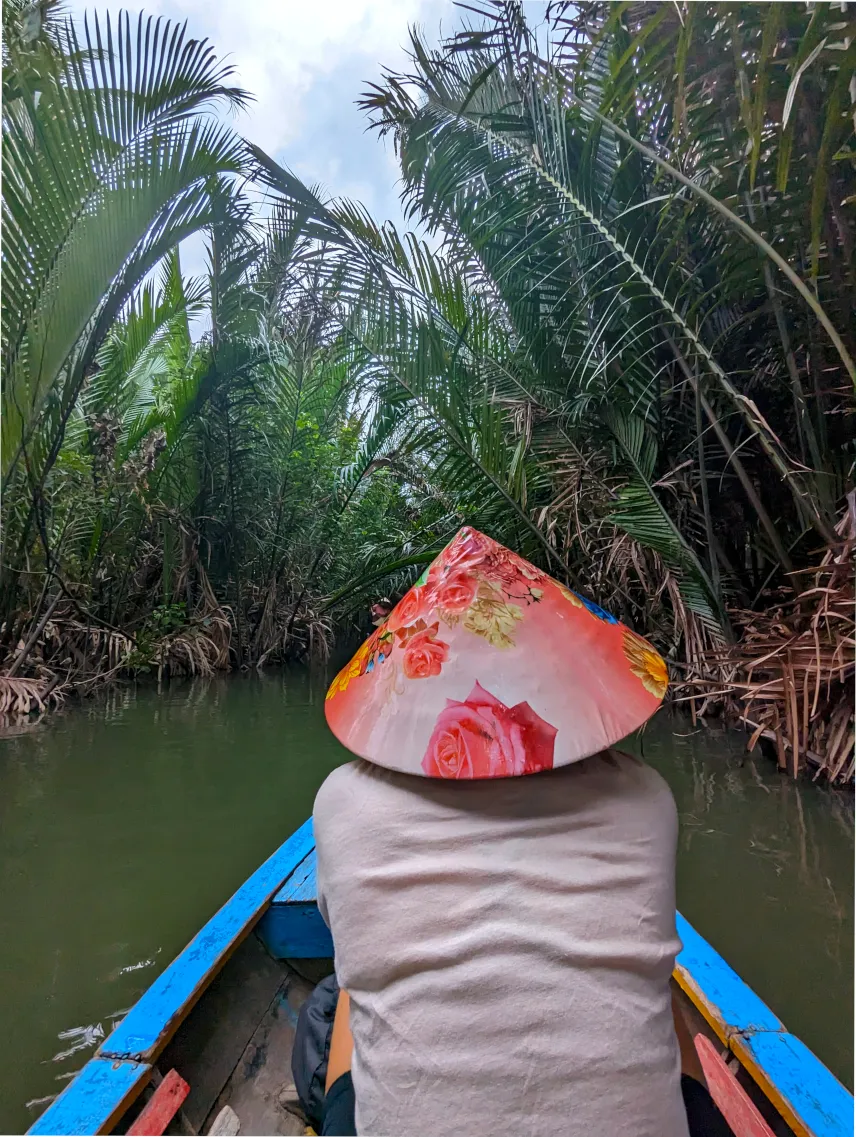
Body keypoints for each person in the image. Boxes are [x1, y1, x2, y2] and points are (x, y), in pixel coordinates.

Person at [310, 527, 731, 1137]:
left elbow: (349, 941)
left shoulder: (341, 803)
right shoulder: (645, 798)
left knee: (335, 1001)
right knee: (664, 1002)